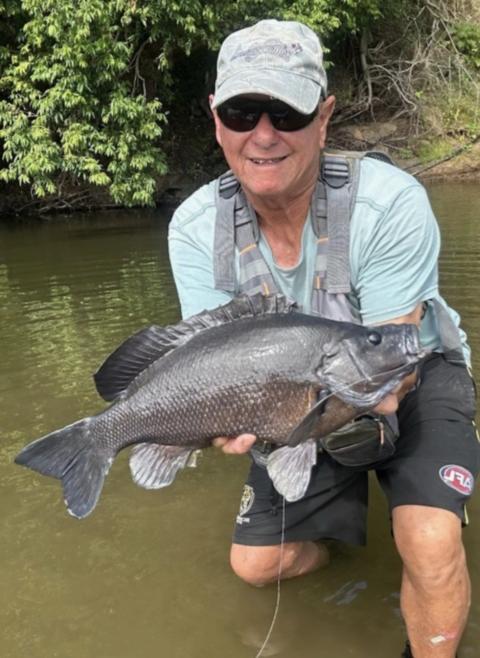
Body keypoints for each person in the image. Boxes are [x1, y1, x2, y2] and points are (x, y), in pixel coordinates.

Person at [168, 19, 479, 658]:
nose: (263, 134)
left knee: (428, 541)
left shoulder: (389, 204)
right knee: (258, 567)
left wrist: (329, 419)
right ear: (217, 120)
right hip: (288, 392)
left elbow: (392, 365)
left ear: (324, 118)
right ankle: (341, 540)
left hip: (407, 370)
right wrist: (218, 420)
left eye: (286, 113)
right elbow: (207, 359)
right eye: (243, 113)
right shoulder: (195, 229)